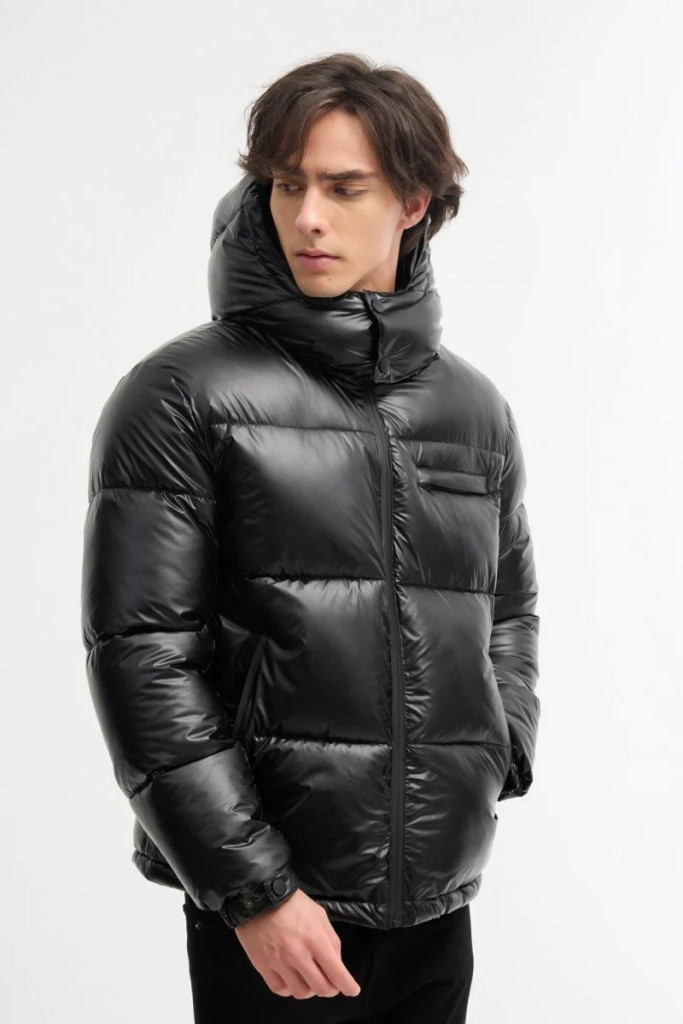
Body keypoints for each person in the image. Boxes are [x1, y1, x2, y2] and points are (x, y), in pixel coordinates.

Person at [80, 52, 541, 1024]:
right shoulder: (182, 395)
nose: (308, 218)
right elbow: (143, 657)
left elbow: (506, 609)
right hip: (278, 911)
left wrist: (498, 752)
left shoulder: (472, 408)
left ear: (413, 203)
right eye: (287, 185)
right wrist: (251, 890)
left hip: (438, 897)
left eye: (343, 188)